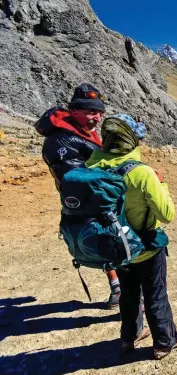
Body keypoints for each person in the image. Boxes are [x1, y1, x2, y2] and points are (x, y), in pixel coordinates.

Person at [85, 114, 177, 359]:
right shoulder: (141, 173)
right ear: (130, 141)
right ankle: (164, 341)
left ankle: (129, 337)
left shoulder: (91, 167)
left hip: (116, 248)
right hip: (146, 248)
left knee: (129, 294)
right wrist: (162, 184)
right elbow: (167, 214)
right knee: (155, 293)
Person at [35, 83, 122, 309]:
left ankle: (119, 287)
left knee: (110, 239)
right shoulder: (61, 139)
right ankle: (122, 291)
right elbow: (74, 176)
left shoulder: (82, 133)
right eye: (91, 112)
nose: (97, 118)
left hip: (97, 197)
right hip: (89, 201)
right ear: (74, 111)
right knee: (108, 239)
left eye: (100, 113)